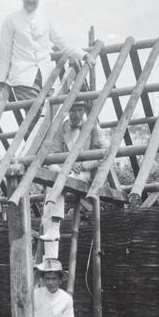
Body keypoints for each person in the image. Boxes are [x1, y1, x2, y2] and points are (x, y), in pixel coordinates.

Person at [0, 0, 94, 105]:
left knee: (50, 114)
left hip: (47, 78)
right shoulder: (11, 20)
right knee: (35, 115)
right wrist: (0, 81)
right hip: (23, 78)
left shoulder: (45, 20)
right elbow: (5, 52)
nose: (30, 0)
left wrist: (84, 55)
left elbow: (62, 43)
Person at [39, 99, 102, 260]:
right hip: (65, 170)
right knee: (52, 179)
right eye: (72, 110)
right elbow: (54, 152)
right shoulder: (63, 126)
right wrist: (66, 165)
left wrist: (84, 164)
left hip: (82, 174)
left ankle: (54, 225)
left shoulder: (93, 126)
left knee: (57, 183)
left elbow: (105, 151)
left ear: (84, 110)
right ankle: (51, 245)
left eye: (79, 110)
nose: (75, 114)